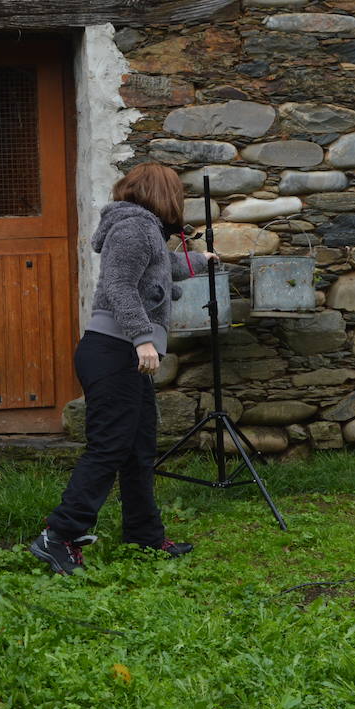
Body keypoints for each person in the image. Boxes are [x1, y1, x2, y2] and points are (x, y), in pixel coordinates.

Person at [30, 162, 216, 575]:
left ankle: (144, 535)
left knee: (137, 447)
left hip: (120, 350)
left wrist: (202, 260)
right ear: (163, 194)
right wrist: (142, 339)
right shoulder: (134, 227)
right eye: (177, 195)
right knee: (111, 445)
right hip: (115, 349)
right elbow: (118, 285)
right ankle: (59, 536)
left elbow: (159, 269)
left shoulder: (143, 228)